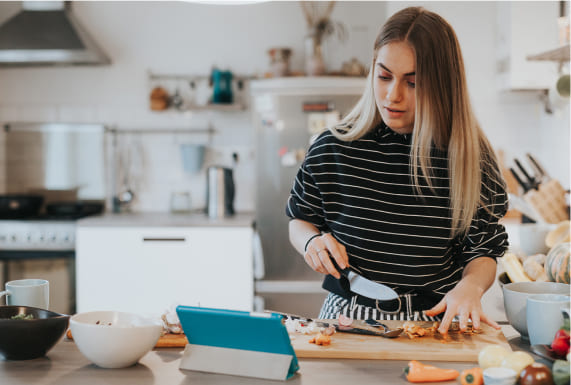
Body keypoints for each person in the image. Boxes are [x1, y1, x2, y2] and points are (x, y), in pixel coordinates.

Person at [286, 6, 508, 334]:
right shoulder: (333, 147)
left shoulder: (471, 160)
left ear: (443, 85)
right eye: (384, 76)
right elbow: (301, 219)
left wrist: (471, 287)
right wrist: (311, 242)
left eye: (413, 82)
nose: (393, 95)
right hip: (348, 319)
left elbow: (483, 249)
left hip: (436, 323)